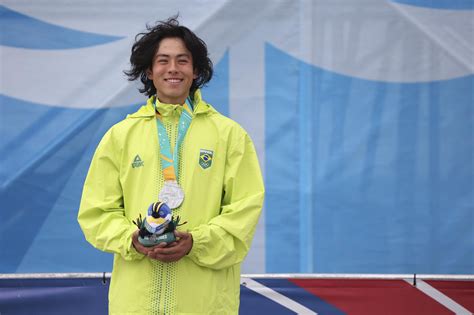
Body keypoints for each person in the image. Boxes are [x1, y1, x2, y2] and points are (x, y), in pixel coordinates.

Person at [77, 16, 264, 314]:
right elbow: (96, 212)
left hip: (205, 304)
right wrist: (131, 239)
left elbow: (244, 210)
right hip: (135, 304)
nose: (173, 69)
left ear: (196, 71)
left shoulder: (229, 136)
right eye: (162, 61)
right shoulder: (121, 136)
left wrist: (196, 243)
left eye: (182, 61)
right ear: (149, 71)